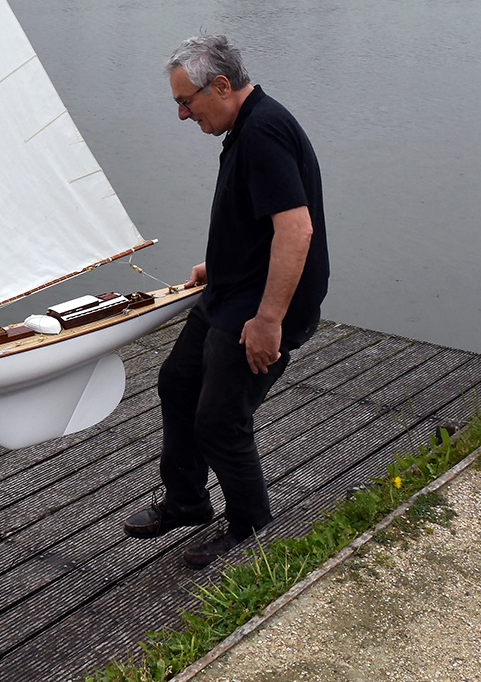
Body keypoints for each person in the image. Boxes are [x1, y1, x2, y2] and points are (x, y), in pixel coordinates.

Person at [123, 35, 328, 569]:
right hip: (234, 288)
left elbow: (296, 230)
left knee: (219, 419)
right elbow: (261, 223)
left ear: (220, 85)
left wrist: (269, 320)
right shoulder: (248, 127)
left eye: (185, 101)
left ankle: (249, 524)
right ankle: (188, 500)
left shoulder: (262, 132)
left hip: (263, 304)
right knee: (178, 382)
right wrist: (220, 266)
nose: (182, 114)